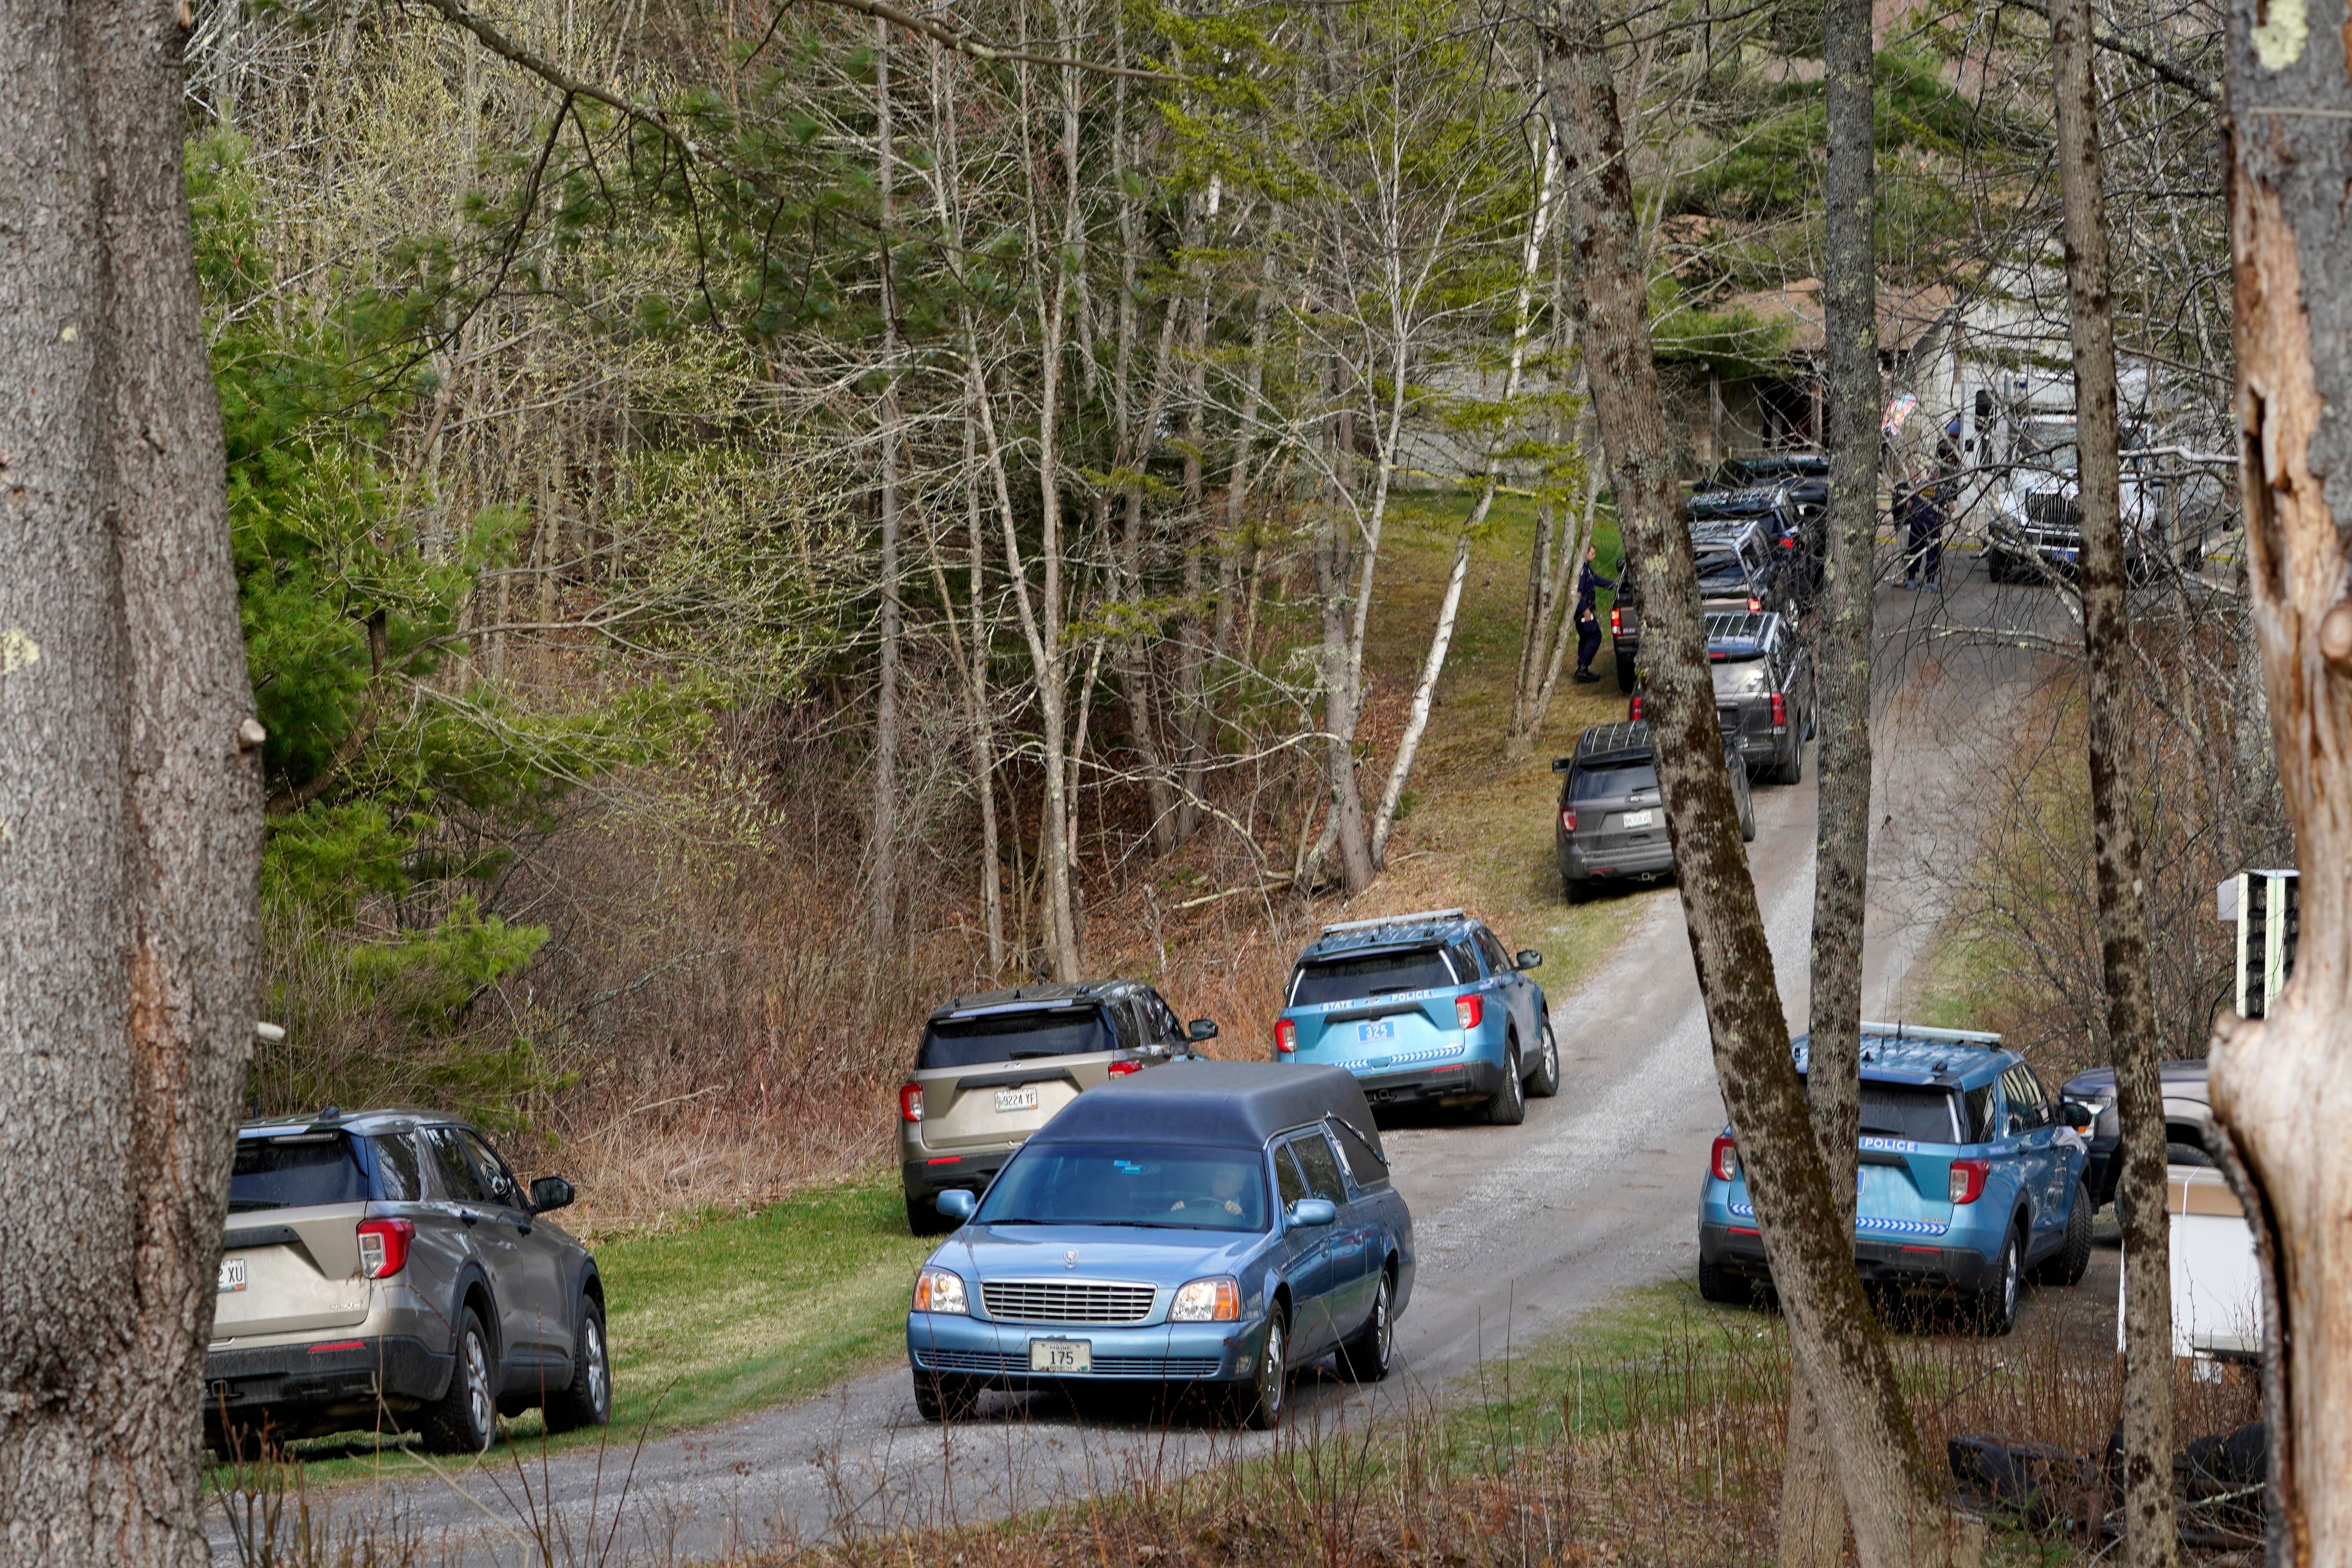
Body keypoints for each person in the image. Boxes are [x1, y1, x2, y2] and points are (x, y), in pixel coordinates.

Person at [1571, 545, 1617, 682]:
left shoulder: (1587, 569)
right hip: (1584, 611)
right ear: (1585, 554)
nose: (1595, 556)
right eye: (1592, 553)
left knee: (1586, 638)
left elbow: (1597, 580)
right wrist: (1584, 609)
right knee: (1595, 635)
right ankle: (1583, 668)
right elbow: (1577, 593)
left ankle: (1582, 669)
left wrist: (1615, 584)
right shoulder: (1581, 571)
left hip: (1586, 609)